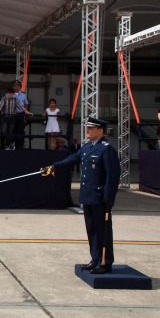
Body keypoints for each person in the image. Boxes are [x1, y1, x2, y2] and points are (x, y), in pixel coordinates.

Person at [43, 117, 120, 274]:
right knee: (91, 230)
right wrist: (54, 166)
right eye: (88, 128)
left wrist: (109, 197)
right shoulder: (86, 148)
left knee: (102, 231)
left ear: (101, 131)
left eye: (91, 128)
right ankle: (95, 259)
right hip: (88, 196)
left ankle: (105, 262)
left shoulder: (106, 149)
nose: (88, 130)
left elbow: (112, 176)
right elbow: (72, 159)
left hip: (100, 198)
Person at [11, 80, 30, 149]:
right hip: (11, 115)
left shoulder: (23, 95)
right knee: (12, 130)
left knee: (20, 130)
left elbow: (26, 104)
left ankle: (20, 146)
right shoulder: (8, 94)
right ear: (13, 87)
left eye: (18, 86)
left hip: (20, 114)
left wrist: (25, 114)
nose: (16, 87)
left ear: (20, 87)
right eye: (15, 86)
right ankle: (12, 146)